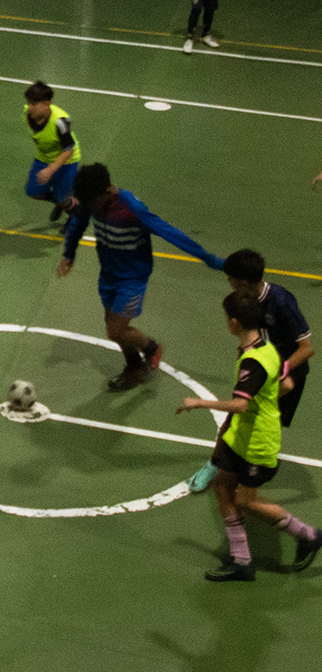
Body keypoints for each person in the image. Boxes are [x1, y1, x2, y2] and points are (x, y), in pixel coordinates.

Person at [177, 293, 322, 582]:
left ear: (233, 323)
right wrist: (265, 399)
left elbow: (241, 404)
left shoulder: (253, 362)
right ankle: (242, 561)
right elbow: (288, 384)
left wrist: (200, 403)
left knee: (246, 499)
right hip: (238, 435)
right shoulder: (268, 349)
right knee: (222, 487)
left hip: (257, 443)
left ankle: (308, 535)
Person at [57, 163, 224, 391]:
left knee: (115, 330)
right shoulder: (92, 201)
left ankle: (152, 348)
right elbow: (78, 221)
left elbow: (169, 232)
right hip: (108, 272)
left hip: (132, 277)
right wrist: (69, 253)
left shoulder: (130, 208)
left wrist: (208, 258)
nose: (91, 207)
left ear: (107, 191)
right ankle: (134, 367)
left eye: (93, 202)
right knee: (112, 325)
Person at [188, 249, 314, 492]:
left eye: (231, 279)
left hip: (284, 376)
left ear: (243, 282)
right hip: (260, 369)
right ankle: (215, 464)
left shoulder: (281, 301)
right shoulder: (245, 302)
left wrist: (278, 370)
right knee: (235, 417)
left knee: (256, 420)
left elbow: (306, 348)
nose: (228, 283)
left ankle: (246, 474)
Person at [22, 81, 80, 223]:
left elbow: (68, 151)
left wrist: (50, 170)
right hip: (44, 157)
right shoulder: (27, 113)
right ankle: (62, 203)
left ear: (47, 103)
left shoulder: (60, 122)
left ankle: (74, 214)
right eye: (29, 103)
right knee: (33, 192)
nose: (30, 108)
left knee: (64, 198)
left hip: (66, 161)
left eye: (34, 104)